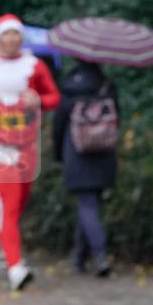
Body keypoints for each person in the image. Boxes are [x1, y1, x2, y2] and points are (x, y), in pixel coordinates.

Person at [0, 14, 61, 290]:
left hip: (27, 145)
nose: (11, 39)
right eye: (6, 34)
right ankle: (15, 267)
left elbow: (54, 97)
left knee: (16, 204)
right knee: (10, 207)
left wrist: (39, 100)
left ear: (21, 38)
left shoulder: (35, 66)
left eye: (15, 34)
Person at [52, 60, 119, 276]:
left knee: (87, 205)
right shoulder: (107, 85)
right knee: (91, 203)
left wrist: (58, 154)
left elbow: (59, 124)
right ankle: (79, 256)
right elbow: (117, 118)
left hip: (76, 153)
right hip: (104, 152)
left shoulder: (69, 87)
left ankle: (100, 256)